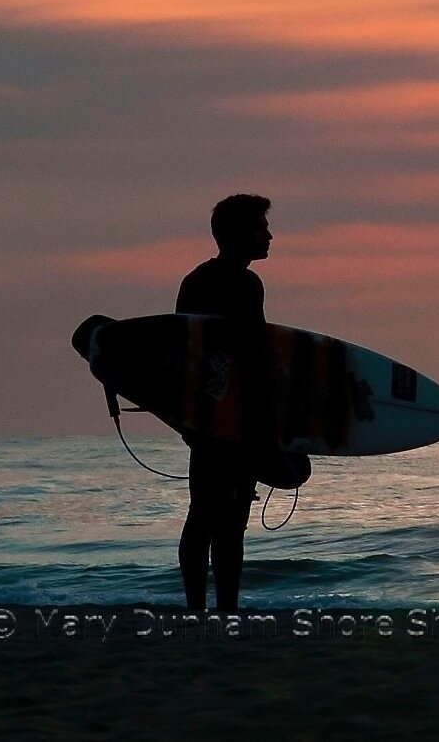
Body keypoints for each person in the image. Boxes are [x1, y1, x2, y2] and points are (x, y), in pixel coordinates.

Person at [175, 193, 273, 611]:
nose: (268, 235)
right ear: (236, 235)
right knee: (208, 518)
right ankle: (204, 610)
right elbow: (192, 353)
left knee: (228, 521)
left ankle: (221, 611)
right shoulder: (207, 283)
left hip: (232, 418)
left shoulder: (245, 283)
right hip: (218, 419)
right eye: (260, 227)